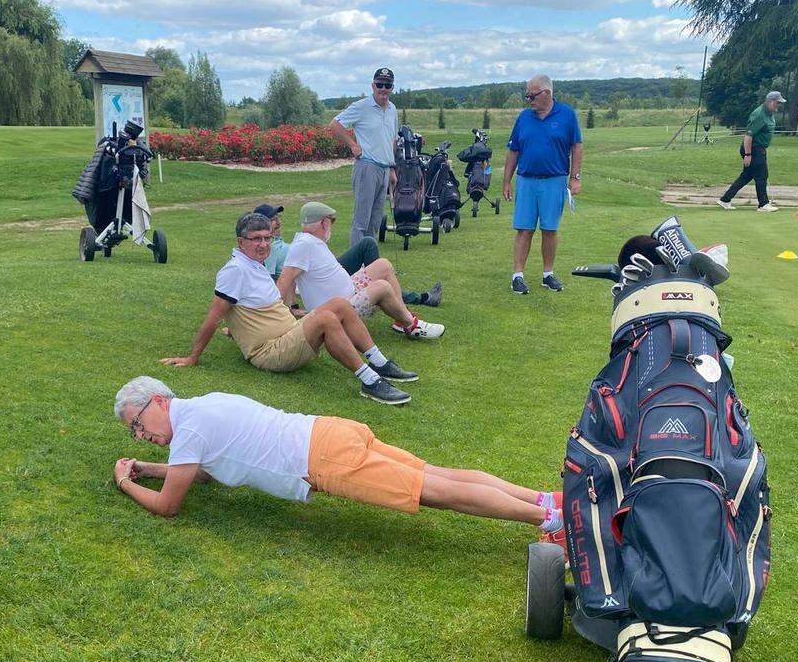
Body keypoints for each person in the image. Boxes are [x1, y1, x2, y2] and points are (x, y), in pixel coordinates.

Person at [112, 376, 566, 535]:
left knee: (436, 492)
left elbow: (169, 507)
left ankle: (551, 521)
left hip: (324, 459)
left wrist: (126, 483)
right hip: (329, 431)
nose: (139, 435)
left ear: (159, 401)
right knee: (437, 474)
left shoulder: (189, 430)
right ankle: (544, 500)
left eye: (137, 423)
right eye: (133, 431)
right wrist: (149, 468)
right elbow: (202, 472)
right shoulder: (201, 407)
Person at [161, 212, 416, 405]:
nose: (263, 244)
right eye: (256, 239)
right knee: (327, 318)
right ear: (241, 242)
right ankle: (370, 381)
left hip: (287, 336)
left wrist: (289, 313)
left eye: (267, 238)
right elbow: (215, 316)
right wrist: (193, 357)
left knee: (338, 304)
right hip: (270, 352)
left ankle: (379, 363)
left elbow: (253, 310)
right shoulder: (235, 270)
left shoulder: (254, 264)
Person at [278, 202, 444, 340]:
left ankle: (402, 319)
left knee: (383, 265)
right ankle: (411, 325)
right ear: (324, 223)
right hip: (338, 311)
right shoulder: (304, 245)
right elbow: (285, 279)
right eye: (331, 223)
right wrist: (281, 318)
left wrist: (293, 305)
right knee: (382, 287)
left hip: (347, 296)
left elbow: (291, 277)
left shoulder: (308, 241)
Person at [255, 202, 441, 306]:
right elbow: (279, 279)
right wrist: (286, 310)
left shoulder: (283, 242)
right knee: (370, 251)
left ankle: (399, 298)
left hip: (324, 269)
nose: (278, 222)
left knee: (372, 252)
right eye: (272, 220)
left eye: (277, 218)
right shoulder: (268, 248)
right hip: (319, 278)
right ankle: (413, 299)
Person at [501, 74, 582, 295]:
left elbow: (577, 146)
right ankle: (517, 276)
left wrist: (575, 177)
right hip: (527, 180)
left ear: (547, 93)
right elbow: (513, 150)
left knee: (549, 229)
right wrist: (507, 181)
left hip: (555, 180)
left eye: (532, 95)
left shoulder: (567, 115)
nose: (529, 100)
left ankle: (548, 274)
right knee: (524, 229)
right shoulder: (524, 117)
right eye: (527, 95)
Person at [328, 67, 398, 247]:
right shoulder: (361, 107)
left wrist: (392, 168)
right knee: (362, 221)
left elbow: (392, 140)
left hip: (384, 169)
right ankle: (356, 261)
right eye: (380, 85)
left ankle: (369, 260)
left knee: (375, 221)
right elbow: (335, 125)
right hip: (367, 167)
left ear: (392, 87)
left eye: (387, 85)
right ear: (373, 86)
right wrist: (353, 145)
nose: (383, 89)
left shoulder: (392, 109)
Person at [718, 91, 785, 212]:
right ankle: (763, 204)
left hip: (758, 148)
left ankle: (725, 199)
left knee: (746, 176)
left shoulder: (769, 114)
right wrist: (748, 154)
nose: (779, 105)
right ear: (770, 101)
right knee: (761, 176)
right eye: (777, 103)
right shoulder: (759, 115)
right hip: (753, 148)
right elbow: (748, 136)